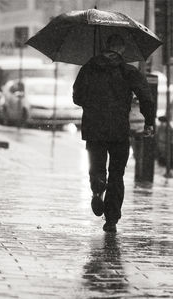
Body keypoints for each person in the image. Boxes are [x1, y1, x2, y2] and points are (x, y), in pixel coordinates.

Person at [73, 34, 154, 233]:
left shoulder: (88, 68)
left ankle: (98, 186)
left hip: (94, 129)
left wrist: (93, 103)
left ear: (106, 47)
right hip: (118, 130)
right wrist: (149, 122)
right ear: (122, 49)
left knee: (97, 166)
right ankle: (111, 220)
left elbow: (77, 97)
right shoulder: (128, 71)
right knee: (117, 174)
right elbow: (146, 97)